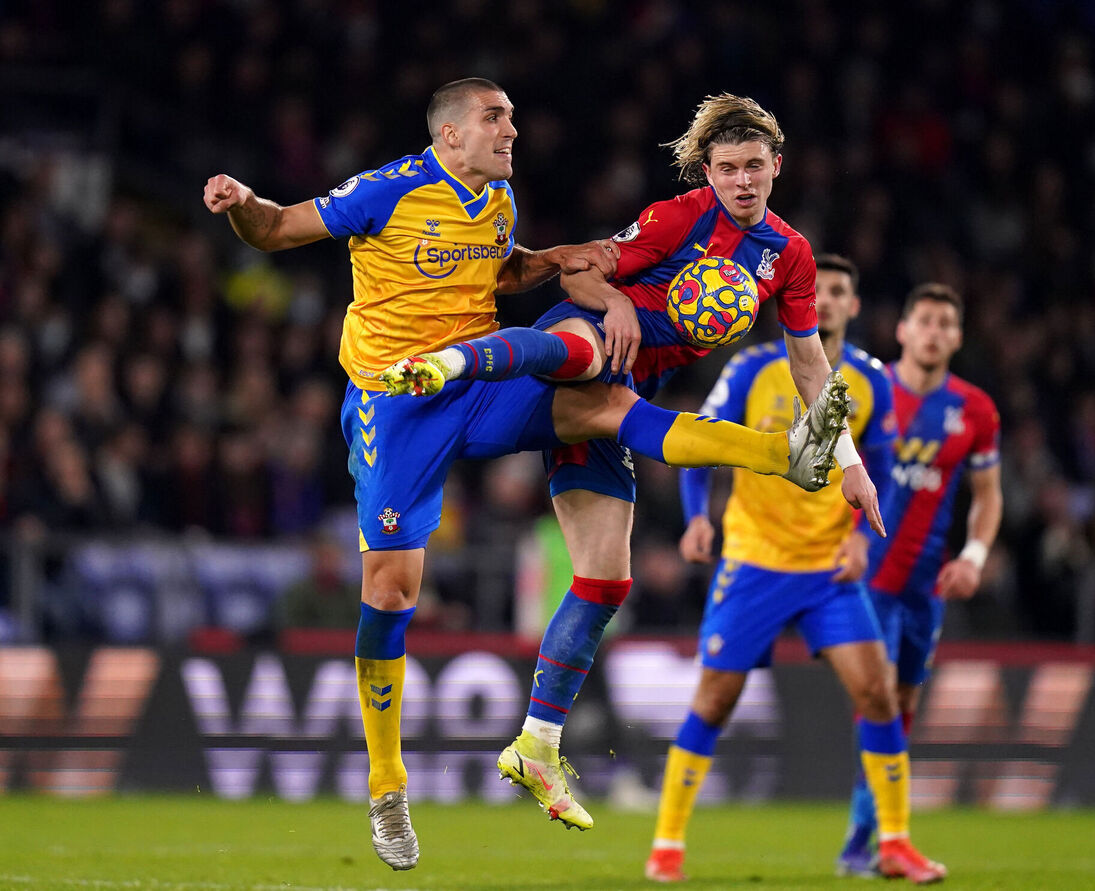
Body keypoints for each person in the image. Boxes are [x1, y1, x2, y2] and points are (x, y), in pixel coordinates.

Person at [203, 78, 850, 872]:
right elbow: (274, 230)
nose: (513, 128)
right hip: (394, 404)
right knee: (391, 591)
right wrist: (240, 200)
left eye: (511, 116)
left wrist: (552, 261)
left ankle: (783, 457)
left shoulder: (500, 201)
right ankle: (386, 783)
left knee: (607, 412)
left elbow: (503, 278)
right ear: (450, 135)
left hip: (478, 390)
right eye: (495, 117)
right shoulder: (388, 191)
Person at [381, 95, 884, 832]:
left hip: (619, 397)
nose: (741, 180)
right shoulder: (678, 217)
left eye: (754, 167)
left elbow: (811, 365)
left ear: (777, 167)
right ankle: (451, 362)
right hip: (585, 343)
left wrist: (850, 462)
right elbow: (580, 270)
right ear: (708, 172)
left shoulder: (792, 256)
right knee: (588, 347)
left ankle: (536, 744)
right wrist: (613, 303)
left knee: (607, 579)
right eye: (727, 168)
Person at [642, 255, 945, 884]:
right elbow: (703, 442)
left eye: (840, 292)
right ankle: (667, 845)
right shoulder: (752, 368)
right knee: (716, 701)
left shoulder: (869, 380)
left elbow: (881, 464)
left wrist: (864, 538)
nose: (827, 301)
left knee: (878, 695)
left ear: (854, 307)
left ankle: (893, 842)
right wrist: (698, 518)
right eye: (820, 291)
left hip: (829, 570)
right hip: (754, 562)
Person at [837, 281, 1003, 881]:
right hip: (867, 579)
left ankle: (869, 831)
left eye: (945, 324)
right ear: (902, 329)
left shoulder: (976, 410)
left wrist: (977, 554)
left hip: (925, 586)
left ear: (957, 337)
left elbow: (988, 496)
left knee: (902, 704)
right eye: (923, 321)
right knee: (878, 700)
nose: (933, 332)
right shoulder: (867, 394)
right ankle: (871, 838)